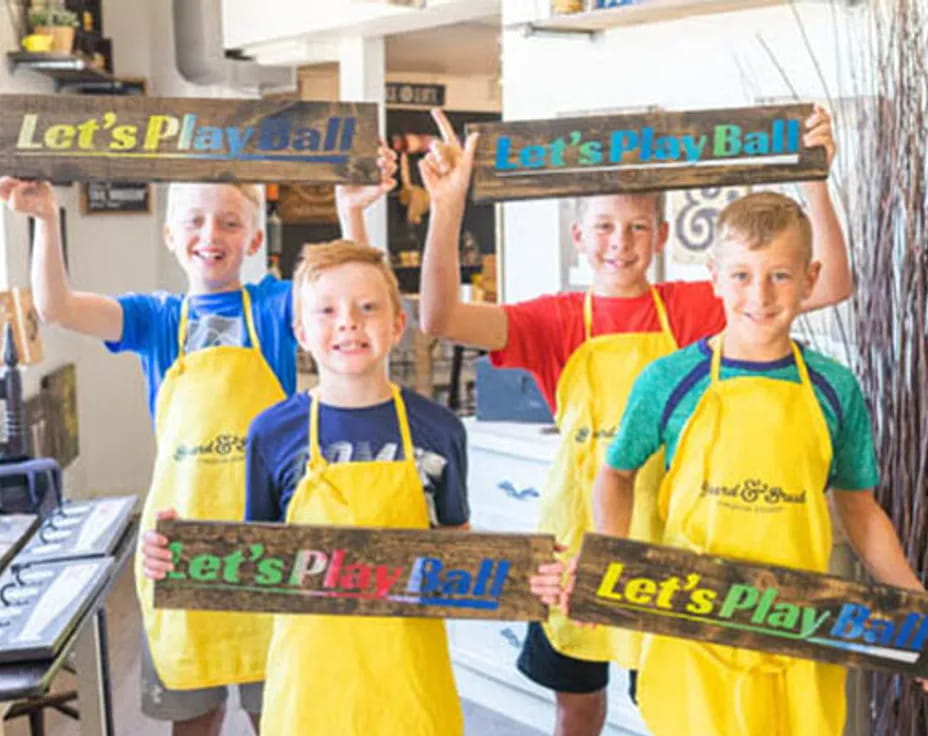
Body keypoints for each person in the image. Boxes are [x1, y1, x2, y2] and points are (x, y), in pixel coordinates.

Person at [415, 106, 851, 736]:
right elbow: (439, 318)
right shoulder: (553, 320)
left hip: (675, 543)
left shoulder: (694, 306)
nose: (620, 242)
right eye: (606, 227)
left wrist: (816, 175)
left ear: (662, 236)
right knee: (580, 704)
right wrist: (448, 205)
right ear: (580, 238)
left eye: (637, 228)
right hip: (579, 537)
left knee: (670, 703)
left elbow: (830, 282)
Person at [0, 148, 395, 736]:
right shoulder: (155, 319)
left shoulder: (275, 307)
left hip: (273, 544)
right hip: (180, 546)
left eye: (230, 223)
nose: (211, 235)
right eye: (195, 220)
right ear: (169, 234)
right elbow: (57, 308)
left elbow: (342, 290)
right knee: (195, 716)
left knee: (283, 714)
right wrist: (45, 219)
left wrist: (350, 212)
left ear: (254, 241)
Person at [142, 239, 565, 735]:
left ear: (397, 324)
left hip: (410, 678)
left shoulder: (439, 429)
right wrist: (182, 556)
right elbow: (256, 561)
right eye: (326, 310)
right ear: (300, 332)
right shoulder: (272, 433)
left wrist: (529, 576)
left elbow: (459, 550)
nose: (348, 322)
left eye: (368, 307)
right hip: (310, 680)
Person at [592, 191, 927, 736]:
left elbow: (861, 511)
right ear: (715, 277)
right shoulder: (668, 380)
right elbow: (617, 472)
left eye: (780, 276)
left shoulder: (835, 388)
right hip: (693, 629)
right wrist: (613, 558)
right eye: (743, 275)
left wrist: (916, 609)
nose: (760, 295)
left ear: (811, 278)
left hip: (798, 626)